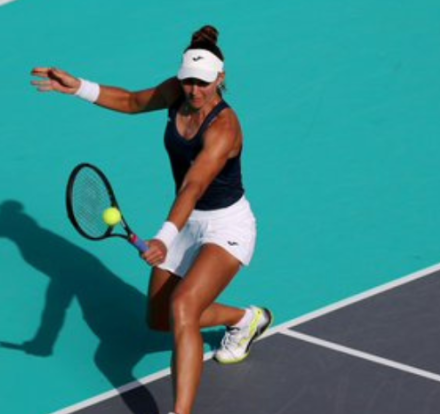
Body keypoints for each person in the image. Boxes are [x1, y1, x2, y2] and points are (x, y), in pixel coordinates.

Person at [31, 25, 271, 414]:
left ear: (220, 78)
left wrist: (163, 237)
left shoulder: (225, 128)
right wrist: (77, 87)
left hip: (226, 226)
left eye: (203, 83)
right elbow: (130, 101)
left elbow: (192, 187)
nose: (194, 90)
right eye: (188, 81)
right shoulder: (177, 92)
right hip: (187, 223)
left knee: (183, 308)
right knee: (161, 319)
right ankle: (246, 319)